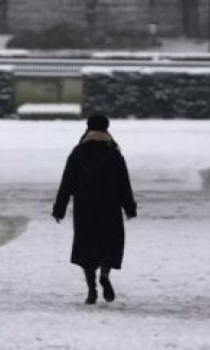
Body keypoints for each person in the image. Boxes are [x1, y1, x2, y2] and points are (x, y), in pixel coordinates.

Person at [52, 114, 137, 304]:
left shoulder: (78, 152)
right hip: (110, 206)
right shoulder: (114, 152)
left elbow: (67, 182)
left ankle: (91, 290)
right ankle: (105, 274)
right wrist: (129, 207)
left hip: (85, 206)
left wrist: (59, 208)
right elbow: (124, 183)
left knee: (86, 247)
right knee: (109, 244)